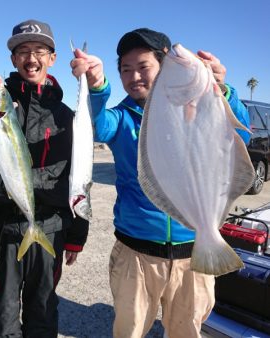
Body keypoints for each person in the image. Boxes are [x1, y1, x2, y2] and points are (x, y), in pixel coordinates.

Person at [70, 28, 250, 338]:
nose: (134, 76)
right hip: (136, 254)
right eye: (126, 69)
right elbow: (97, 127)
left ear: (164, 65)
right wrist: (97, 87)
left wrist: (223, 90)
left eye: (143, 67)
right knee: (130, 331)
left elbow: (240, 136)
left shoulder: (196, 104)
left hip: (193, 252)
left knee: (187, 332)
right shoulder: (122, 117)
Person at [0, 19, 89, 338]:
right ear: (12, 59)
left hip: (50, 230)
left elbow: (80, 177)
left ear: (52, 58)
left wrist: (78, 232)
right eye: (23, 51)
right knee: (1, 316)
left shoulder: (66, 116)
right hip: (0, 232)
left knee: (44, 311)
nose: (31, 58)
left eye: (39, 50)